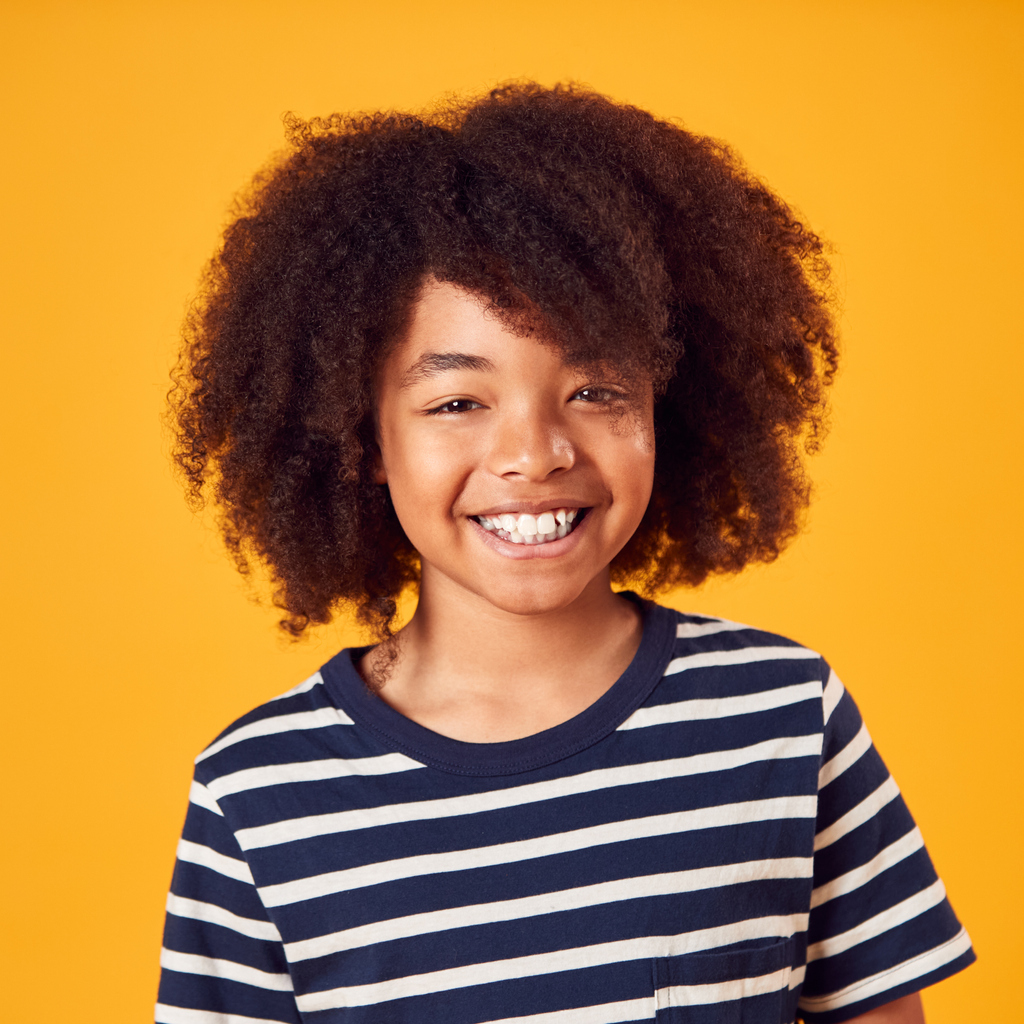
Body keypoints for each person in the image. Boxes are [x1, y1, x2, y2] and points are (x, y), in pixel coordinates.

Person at [157, 83, 973, 1024]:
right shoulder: (258, 793)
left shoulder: (784, 713)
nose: (535, 452)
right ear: (361, 440)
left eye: (595, 390)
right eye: (458, 402)